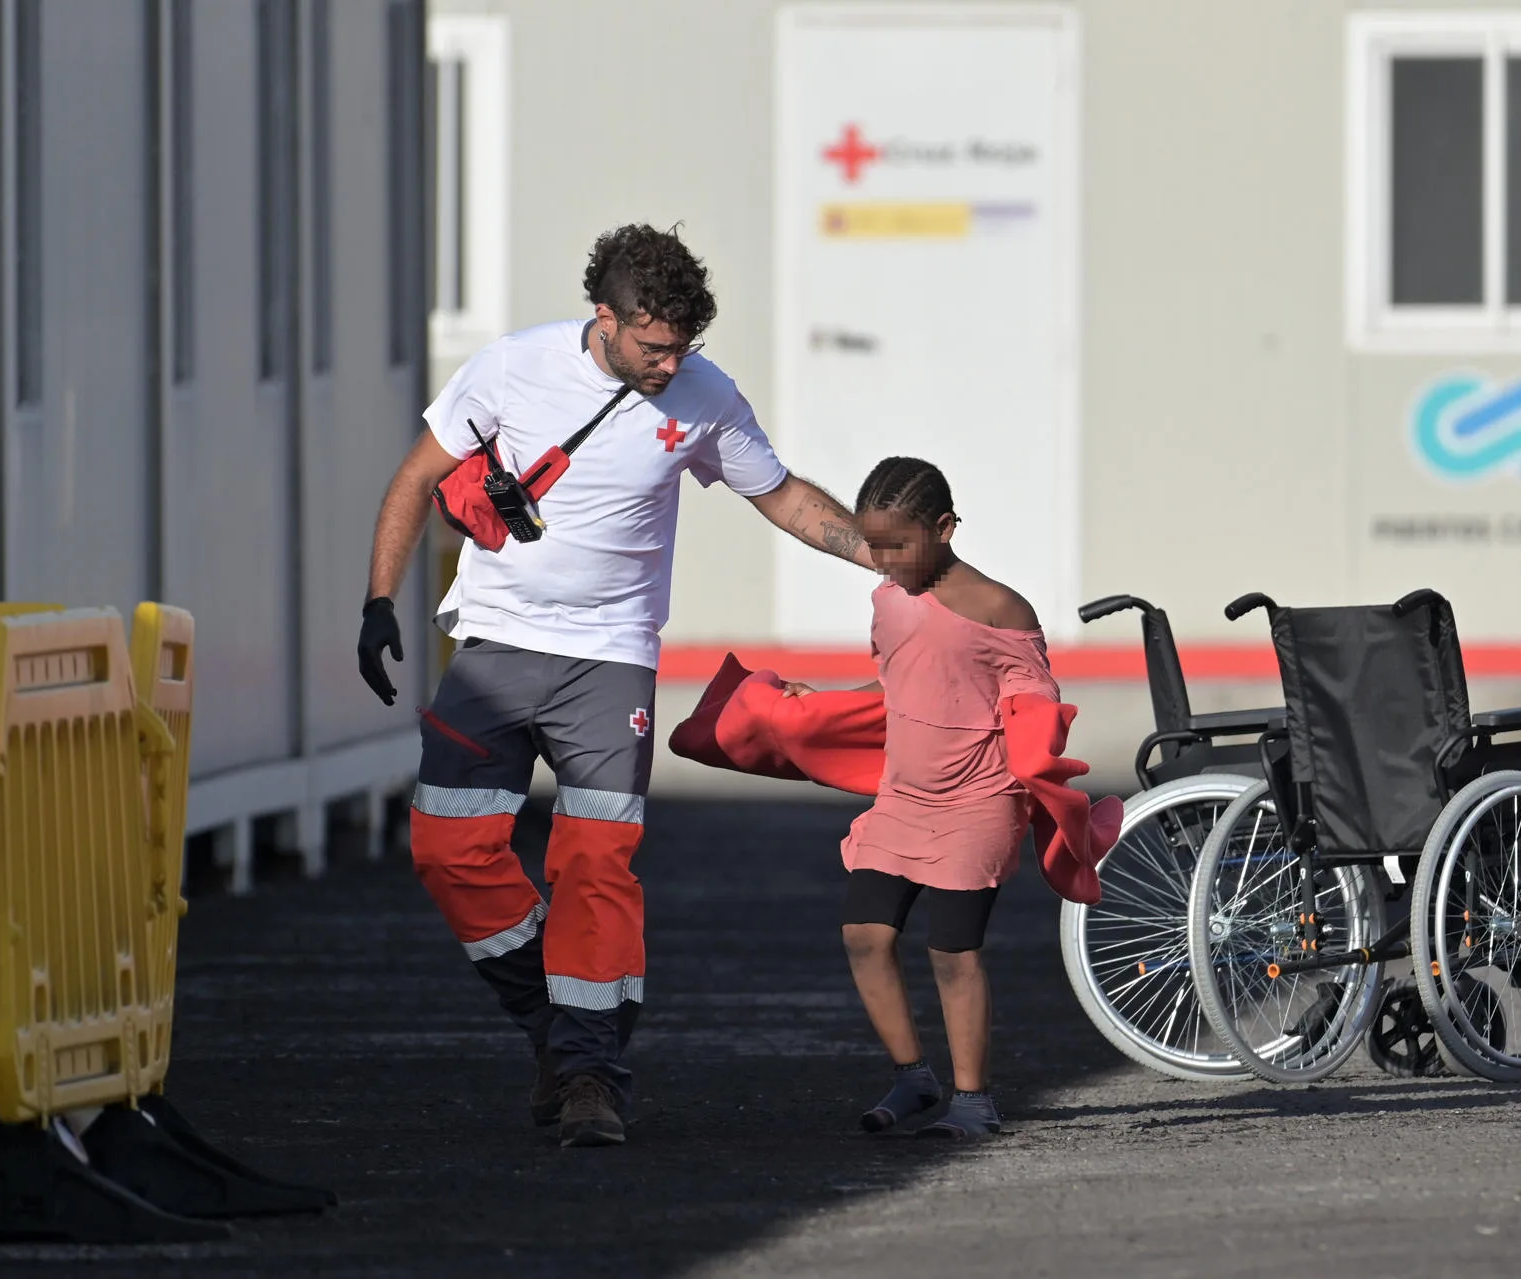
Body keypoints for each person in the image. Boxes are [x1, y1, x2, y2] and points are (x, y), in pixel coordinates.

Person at [356, 224, 875, 1148]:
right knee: (449, 849)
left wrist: (883, 555)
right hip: (496, 647)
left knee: (595, 865)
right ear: (606, 317)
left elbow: (784, 494)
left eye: (684, 346)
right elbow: (414, 478)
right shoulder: (511, 369)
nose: (671, 364)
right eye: (654, 346)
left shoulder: (705, 396)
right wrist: (379, 603)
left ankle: (592, 1071)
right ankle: (560, 1028)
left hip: (613, 657)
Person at [781, 458, 1064, 1139]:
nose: (882, 560)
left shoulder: (1002, 608)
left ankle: (974, 1100)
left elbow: (1038, 705)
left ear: (944, 528)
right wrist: (823, 711)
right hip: (903, 799)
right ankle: (913, 1076)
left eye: (897, 545)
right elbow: (897, 688)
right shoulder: (888, 599)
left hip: (978, 801)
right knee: (864, 936)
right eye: (873, 546)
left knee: (951, 952)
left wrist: (1047, 787)